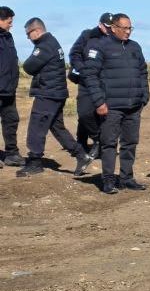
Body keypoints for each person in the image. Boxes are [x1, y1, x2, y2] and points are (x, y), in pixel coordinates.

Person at [82, 13, 150, 194]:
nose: (128, 32)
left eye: (130, 28)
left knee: (130, 143)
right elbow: (90, 76)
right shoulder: (99, 47)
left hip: (134, 106)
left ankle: (127, 178)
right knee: (109, 144)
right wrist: (99, 102)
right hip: (110, 107)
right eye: (124, 28)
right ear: (113, 28)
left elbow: (143, 72)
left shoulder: (135, 47)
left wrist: (144, 95)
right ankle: (108, 180)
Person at [17, 18, 93, 177]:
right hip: (55, 92)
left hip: (48, 93)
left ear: (36, 31)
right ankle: (81, 155)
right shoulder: (51, 42)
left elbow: (29, 67)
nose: (28, 38)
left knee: (36, 126)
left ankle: (35, 162)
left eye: (28, 34)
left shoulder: (44, 46)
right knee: (57, 127)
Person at [68, 12, 112, 160]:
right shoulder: (87, 35)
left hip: (105, 82)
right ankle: (94, 140)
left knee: (101, 113)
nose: (110, 29)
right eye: (107, 27)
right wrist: (84, 69)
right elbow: (74, 54)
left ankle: (98, 144)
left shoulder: (114, 38)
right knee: (85, 113)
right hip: (86, 80)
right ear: (100, 24)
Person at [0, 6, 24, 168]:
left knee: (11, 120)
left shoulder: (8, 37)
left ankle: (11, 154)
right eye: (9, 21)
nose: (11, 24)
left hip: (8, 90)